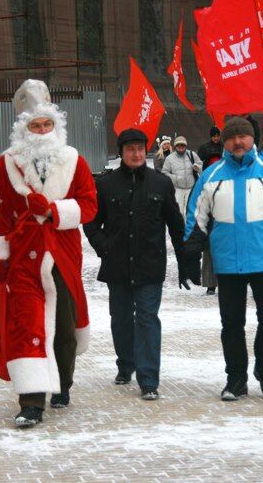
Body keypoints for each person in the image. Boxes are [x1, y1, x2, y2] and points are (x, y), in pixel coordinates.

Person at [0, 79, 97, 428]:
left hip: (62, 254)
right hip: (23, 258)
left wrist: (53, 211)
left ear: (56, 126)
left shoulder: (73, 160)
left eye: (47, 124)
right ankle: (31, 402)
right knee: (26, 325)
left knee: (63, 327)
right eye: (36, 125)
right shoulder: (7, 165)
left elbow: (89, 206)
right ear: (25, 130)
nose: (42, 130)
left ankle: (62, 384)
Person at [182, 116, 263, 401]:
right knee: (231, 323)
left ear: (253, 139)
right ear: (224, 141)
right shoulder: (211, 175)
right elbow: (195, 217)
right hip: (227, 262)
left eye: (243, 137)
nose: (238, 142)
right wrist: (190, 255)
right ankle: (236, 378)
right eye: (232, 138)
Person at [84, 129, 186, 401]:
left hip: (150, 265)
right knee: (120, 319)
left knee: (147, 319)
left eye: (140, 148)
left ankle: (149, 378)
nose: (136, 153)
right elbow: (91, 221)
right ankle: (125, 363)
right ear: (121, 153)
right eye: (131, 149)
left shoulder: (160, 183)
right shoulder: (105, 185)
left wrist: (186, 260)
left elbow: (176, 225)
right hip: (117, 265)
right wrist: (104, 246)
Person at [197, 126, 224, 296]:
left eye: (217, 136)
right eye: (213, 136)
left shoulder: (225, 148)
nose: (215, 138)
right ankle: (210, 283)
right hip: (209, 213)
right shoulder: (204, 149)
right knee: (209, 251)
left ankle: (227, 281)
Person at [162, 135, 202, 218]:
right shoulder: (169, 158)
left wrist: (198, 167)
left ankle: (189, 230)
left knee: (191, 212)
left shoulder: (192, 154)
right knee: (178, 213)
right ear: (175, 146)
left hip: (191, 189)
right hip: (177, 189)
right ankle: (180, 230)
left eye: (182, 145)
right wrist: (175, 178)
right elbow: (164, 173)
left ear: (186, 145)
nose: (181, 147)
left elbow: (201, 164)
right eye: (178, 145)